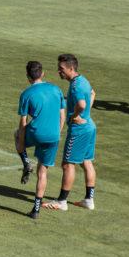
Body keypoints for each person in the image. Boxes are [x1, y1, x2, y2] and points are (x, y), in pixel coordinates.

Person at [45, 53, 97, 212]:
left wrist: (75, 116)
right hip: (90, 126)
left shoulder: (75, 87)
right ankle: (89, 199)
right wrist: (86, 114)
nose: (58, 71)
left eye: (61, 69)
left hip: (79, 131)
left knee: (67, 165)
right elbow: (93, 93)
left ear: (71, 68)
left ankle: (62, 201)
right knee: (86, 162)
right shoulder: (83, 80)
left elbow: (81, 104)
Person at [16, 60, 66, 220]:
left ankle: (25, 162)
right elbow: (62, 115)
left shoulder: (26, 94)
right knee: (42, 172)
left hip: (36, 133)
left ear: (28, 77)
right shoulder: (56, 89)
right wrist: (57, 133)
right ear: (43, 74)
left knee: (16, 134)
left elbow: (23, 122)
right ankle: (36, 209)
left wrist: (21, 143)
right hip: (53, 135)